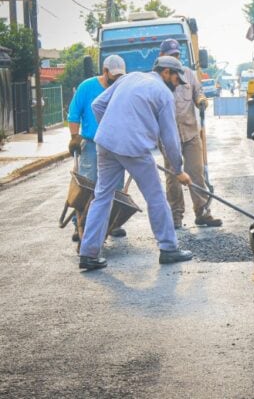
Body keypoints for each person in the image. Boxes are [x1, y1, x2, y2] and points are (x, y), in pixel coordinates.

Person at [78, 56, 194, 270]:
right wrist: (178, 170)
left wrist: (112, 129)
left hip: (105, 143)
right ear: (166, 72)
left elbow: (98, 104)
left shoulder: (129, 78)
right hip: (134, 149)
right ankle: (169, 248)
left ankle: (88, 254)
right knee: (156, 196)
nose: (178, 84)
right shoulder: (163, 94)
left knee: (102, 196)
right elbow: (170, 139)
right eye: (177, 79)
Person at [158, 39, 222, 229]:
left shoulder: (189, 74)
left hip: (191, 132)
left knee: (196, 172)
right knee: (173, 176)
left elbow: (198, 92)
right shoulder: (159, 78)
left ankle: (202, 212)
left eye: (176, 55)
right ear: (162, 56)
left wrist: (201, 100)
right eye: (170, 55)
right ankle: (176, 216)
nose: (174, 58)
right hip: (169, 137)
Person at [67, 54, 127, 242]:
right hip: (92, 144)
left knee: (115, 186)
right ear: (105, 71)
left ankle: (112, 223)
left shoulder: (123, 88)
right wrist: (74, 136)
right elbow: (74, 113)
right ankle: (80, 224)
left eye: (120, 76)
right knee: (87, 184)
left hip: (115, 145)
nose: (117, 80)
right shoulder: (87, 87)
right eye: (114, 76)